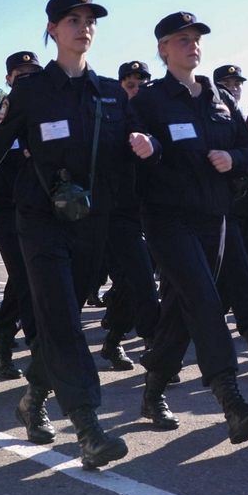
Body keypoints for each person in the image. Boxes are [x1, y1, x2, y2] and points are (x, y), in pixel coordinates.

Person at [0, 0, 131, 468]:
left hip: (91, 222)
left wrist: (149, 149)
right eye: (72, 19)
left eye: (89, 21)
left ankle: (32, 399)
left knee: (62, 316)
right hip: (39, 220)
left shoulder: (107, 92)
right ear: (51, 29)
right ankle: (88, 428)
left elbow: (126, 157)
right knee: (64, 318)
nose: (82, 27)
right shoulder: (32, 91)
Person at [128, 11, 248, 444]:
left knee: (180, 311)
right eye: (181, 39)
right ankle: (232, 402)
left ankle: (153, 393)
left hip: (216, 219)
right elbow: (134, 150)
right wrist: (147, 149)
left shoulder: (219, 99)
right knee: (206, 302)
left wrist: (235, 160)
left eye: (195, 38)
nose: (192, 45)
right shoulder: (149, 101)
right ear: (163, 49)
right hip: (169, 220)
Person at [0, 52, 42, 380]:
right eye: (21, 73)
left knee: (24, 278)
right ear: (8, 79)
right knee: (27, 276)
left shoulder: (48, 111)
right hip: (5, 206)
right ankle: (41, 353)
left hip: (41, 207)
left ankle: (2, 345)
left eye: (33, 72)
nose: (28, 78)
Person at [98, 59, 160, 370]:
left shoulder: (157, 113)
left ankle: (115, 340)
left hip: (155, 208)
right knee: (140, 275)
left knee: (132, 279)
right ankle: (153, 343)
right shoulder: (110, 116)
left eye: (142, 85)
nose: (137, 91)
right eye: (130, 85)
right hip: (117, 211)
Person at [212, 62, 248, 375]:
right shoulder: (213, 118)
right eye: (227, 83)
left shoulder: (245, 119)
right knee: (241, 274)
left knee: (241, 275)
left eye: (237, 83)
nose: (233, 88)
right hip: (223, 212)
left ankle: (213, 331)